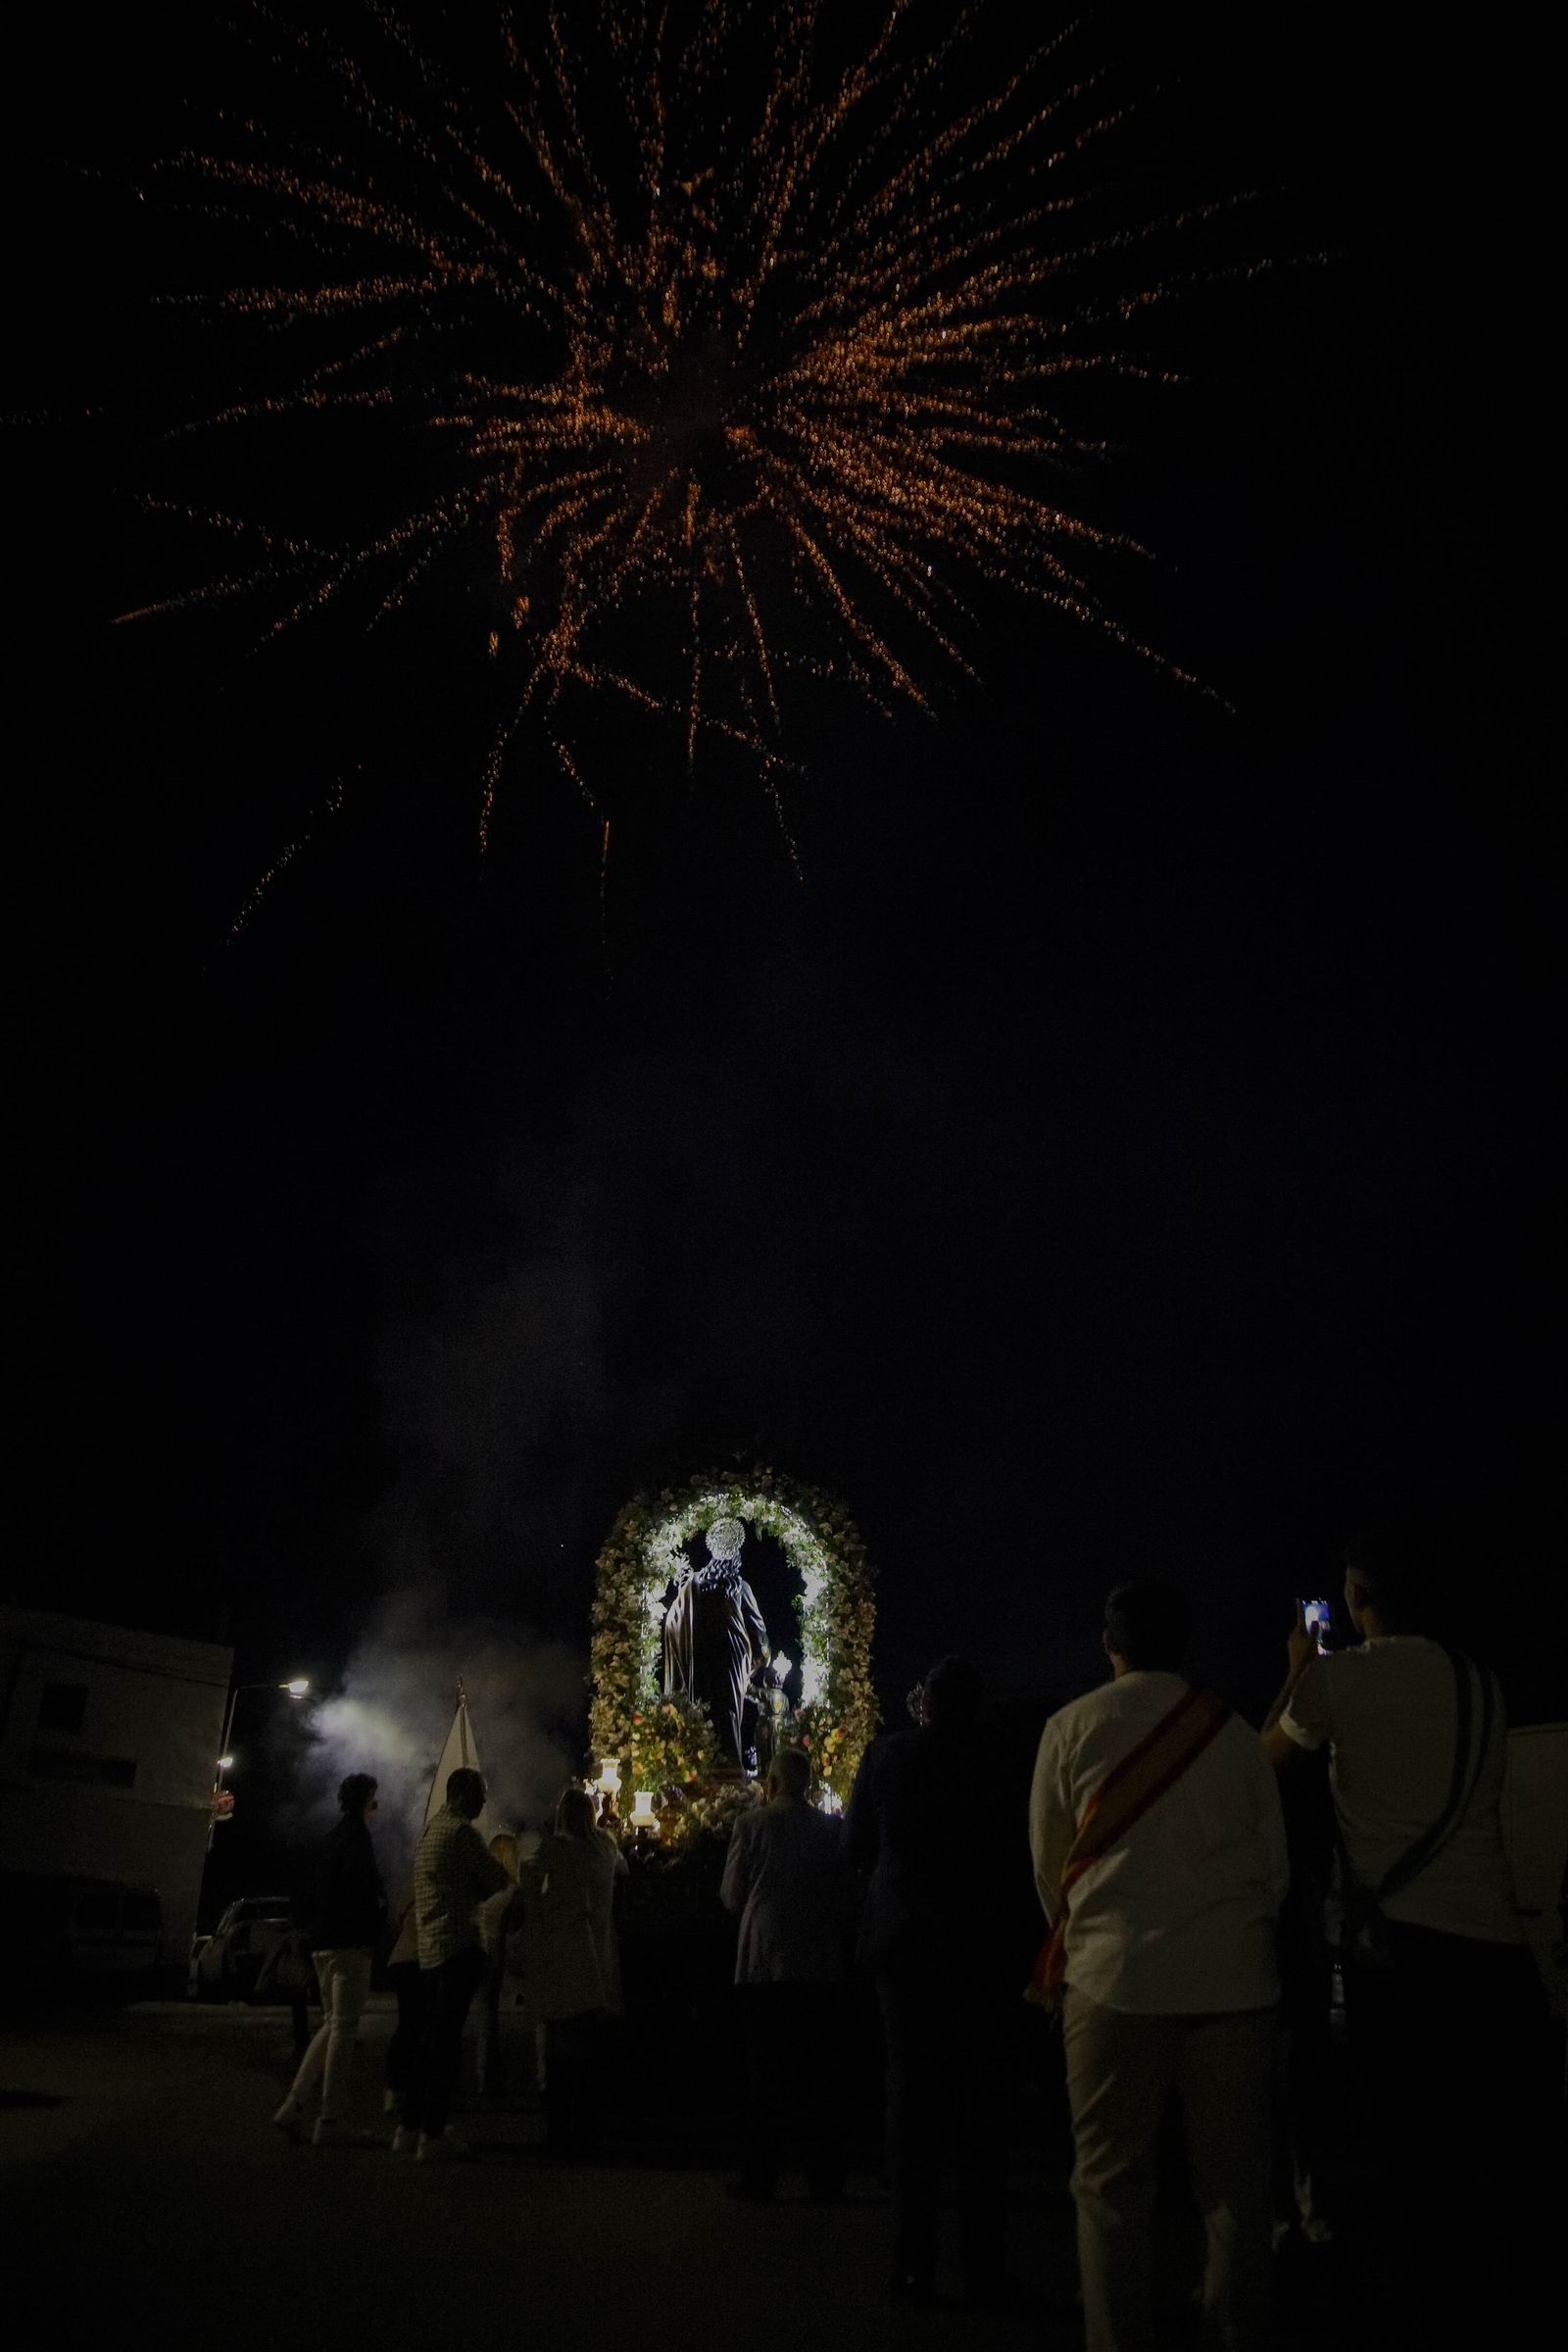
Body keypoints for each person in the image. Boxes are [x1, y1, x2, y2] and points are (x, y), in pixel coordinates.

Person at [1261, 1527, 1556, 2341]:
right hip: (1498, 1951)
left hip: (1400, 1957)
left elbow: (1261, 1763)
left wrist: (1297, 1667)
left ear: (1356, 1598)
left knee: (1428, 2173)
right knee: (1522, 2170)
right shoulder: (1481, 1683)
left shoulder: (1334, 1679)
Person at [1031, 1583, 1288, 2352]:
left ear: (1109, 1643)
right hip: (1234, 1982)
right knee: (1237, 2189)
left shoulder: (1071, 1727)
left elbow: (1050, 1867)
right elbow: (1274, 1869)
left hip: (1114, 1980)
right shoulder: (1236, 1734)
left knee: (1110, 2188)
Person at [846, 1655, 1037, 2309]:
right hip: (985, 1945)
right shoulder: (1006, 1759)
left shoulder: (889, 1756)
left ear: (925, 1700)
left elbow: (856, 1846)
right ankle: (984, 2264)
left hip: (907, 1947)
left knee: (912, 2105)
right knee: (985, 2109)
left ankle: (912, 2263)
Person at [720, 1745, 849, 2202]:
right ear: (809, 1785)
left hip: (764, 1962)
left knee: (765, 2074)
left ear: (770, 1784)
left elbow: (732, 1894)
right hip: (818, 1961)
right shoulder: (831, 1828)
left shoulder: (750, 1824)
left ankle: (761, 2174)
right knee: (821, 2075)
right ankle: (825, 2176)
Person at [397, 1767, 512, 2162]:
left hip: (430, 1948)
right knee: (445, 2045)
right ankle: (432, 2132)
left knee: (428, 2041)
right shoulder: (462, 1834)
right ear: (462, 1794)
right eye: (480, 1793)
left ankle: (408, 2127)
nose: (483, 1801)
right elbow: (498, 1879)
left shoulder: (430, 1831)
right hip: (457, 1946)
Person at [271, 1772, 386, 2147]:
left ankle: (293, 2105)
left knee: (332, 2025)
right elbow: (365, 1891)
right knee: (343, 2031)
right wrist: (377, 1918)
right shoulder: (357, 1839)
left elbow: (313, 1891)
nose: (377, 1805)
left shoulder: (330, 1839)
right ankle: (330, 2120)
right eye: (374, 1798)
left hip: (323, 1945)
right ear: (365, 1799)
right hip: (350, 1944)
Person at [518, 1787, 624, 2156]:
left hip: (566, 1951)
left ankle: (559, 2128)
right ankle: (588, 2126)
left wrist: (540, 1914)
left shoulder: (556, 1849)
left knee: (562, 2045)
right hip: (599, 1948)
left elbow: (528, 1882)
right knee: (590, 2045)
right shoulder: (605, 1847)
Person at [662, 1517, 772, 1771]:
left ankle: (698, 1767)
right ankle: (729, 1770)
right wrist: (759, 1661)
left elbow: (672, 1622)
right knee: (728, 1717)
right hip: (731, 1665)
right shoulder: (740, 1587)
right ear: (735, 1555)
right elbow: (760, 1636)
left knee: (699, 1713)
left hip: (698, 1664)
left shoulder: (692, 1584)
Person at [474, 1831, 520, 2095]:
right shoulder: (511, 1888)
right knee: (488, 2013)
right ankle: (487, 2074)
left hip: (474, 1943)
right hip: (494, 1947)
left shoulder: (481, 1885)